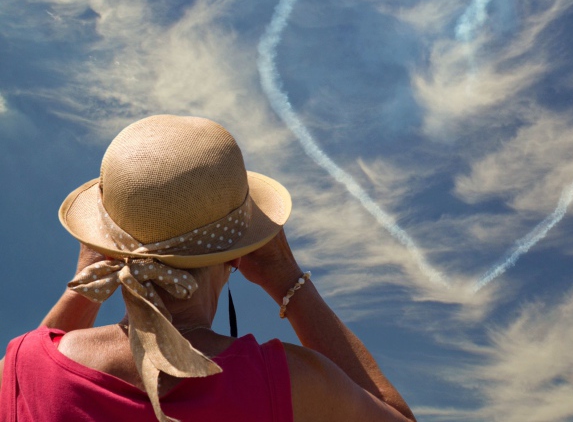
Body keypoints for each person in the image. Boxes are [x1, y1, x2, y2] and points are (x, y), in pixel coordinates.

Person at [0, 115, 416, 422]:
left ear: (103, 248)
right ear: (238, 255)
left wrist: (82, 287)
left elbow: (22, 383)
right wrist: (288, 277)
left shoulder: (24, 370)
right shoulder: (293, 383)